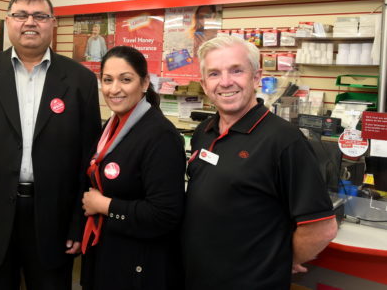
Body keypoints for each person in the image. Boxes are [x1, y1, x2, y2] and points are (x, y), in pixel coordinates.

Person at [0, 0, 101, 290]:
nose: (30, 22)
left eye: (40, 16)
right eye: (21, 15)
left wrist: (79, 224)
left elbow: (88, 159)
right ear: (8, 21)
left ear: (52, 23)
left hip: (54, 219)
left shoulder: (79, 80)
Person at [182, 35, 338, 290]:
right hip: (198, 277)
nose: (225, 82)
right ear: (204, 84)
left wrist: (282, 260)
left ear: (256, 77)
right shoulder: (204, 132)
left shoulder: (284, 140)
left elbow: (321, 227)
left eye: (236, 70)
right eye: (214, 74)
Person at [81, 46, 185, 290]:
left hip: (140, 263)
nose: (114, 89)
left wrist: (104, 206)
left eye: (125, 79)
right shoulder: (113, 124)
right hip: (111, 250)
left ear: (145, 82)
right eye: (107, 80)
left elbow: (164, 215)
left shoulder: (160, 136)